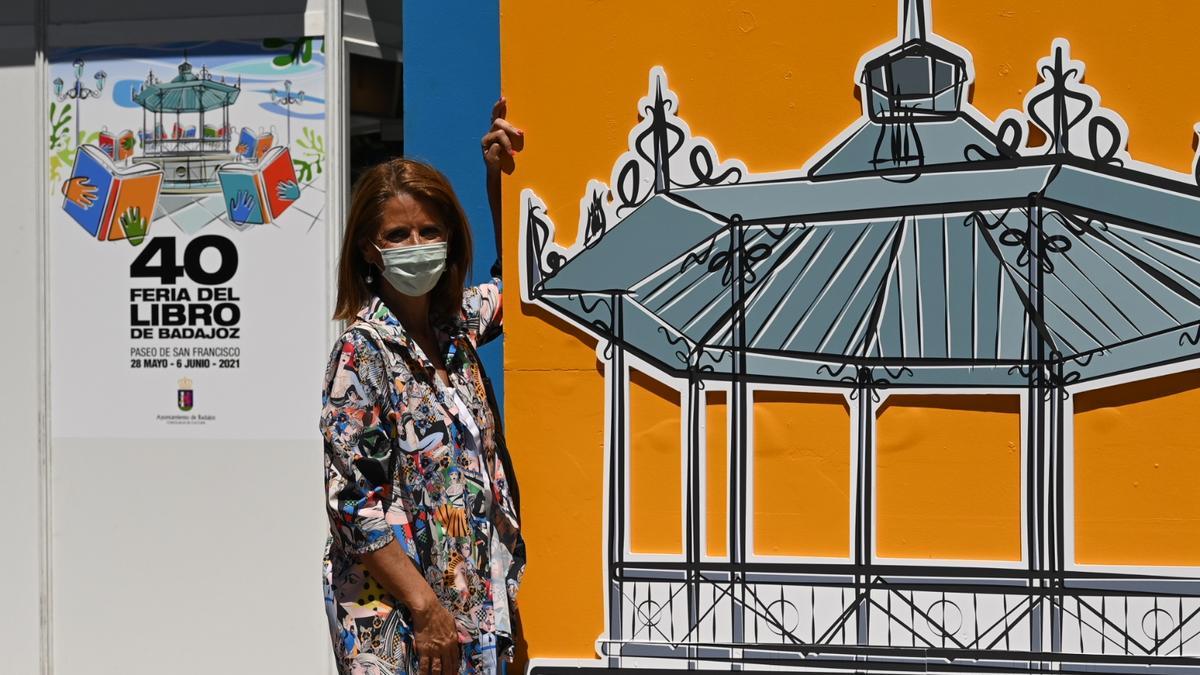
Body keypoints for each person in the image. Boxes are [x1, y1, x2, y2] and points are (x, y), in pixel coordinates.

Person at [322, 101, 525, 675]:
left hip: (468, 604)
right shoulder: (362, 352)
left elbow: (523, 280)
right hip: (400, 618)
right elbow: (354, 505)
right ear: (370, 248)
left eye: (429, 230)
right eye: (399, 234)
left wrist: (499, 174)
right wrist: (425, 609)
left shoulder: (455, 328)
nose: (417, 243)